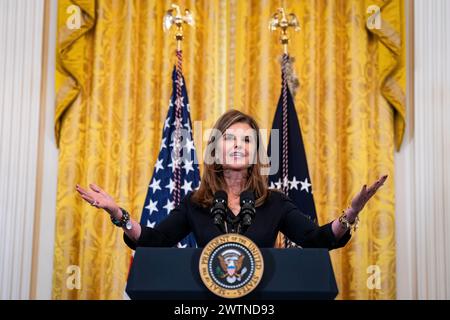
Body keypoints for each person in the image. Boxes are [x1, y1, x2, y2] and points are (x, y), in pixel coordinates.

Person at [76, 110, 387, 250]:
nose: (238, 145)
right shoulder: (196, 204)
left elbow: (315, 239)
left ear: (255, 153)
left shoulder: (274, 202)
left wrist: (350, 215)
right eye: (229, 138)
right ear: (215, 148)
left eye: (247, 140)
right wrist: (120, 216)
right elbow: (156, 241)